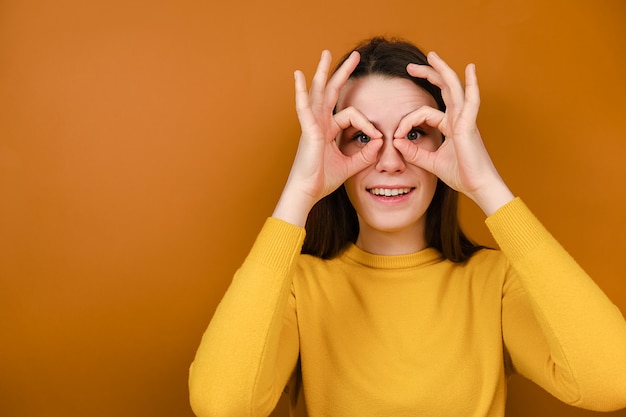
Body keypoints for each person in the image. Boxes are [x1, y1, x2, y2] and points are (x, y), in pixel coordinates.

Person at [188, 37, 626, 417]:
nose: (391, 161)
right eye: (362, 136)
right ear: (331, 147)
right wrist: (301, 191)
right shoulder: (298, 288)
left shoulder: (495, 281)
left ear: (448, 141)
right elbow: (223, 404)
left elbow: (612, 381)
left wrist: (485, 184)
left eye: (413, 133)